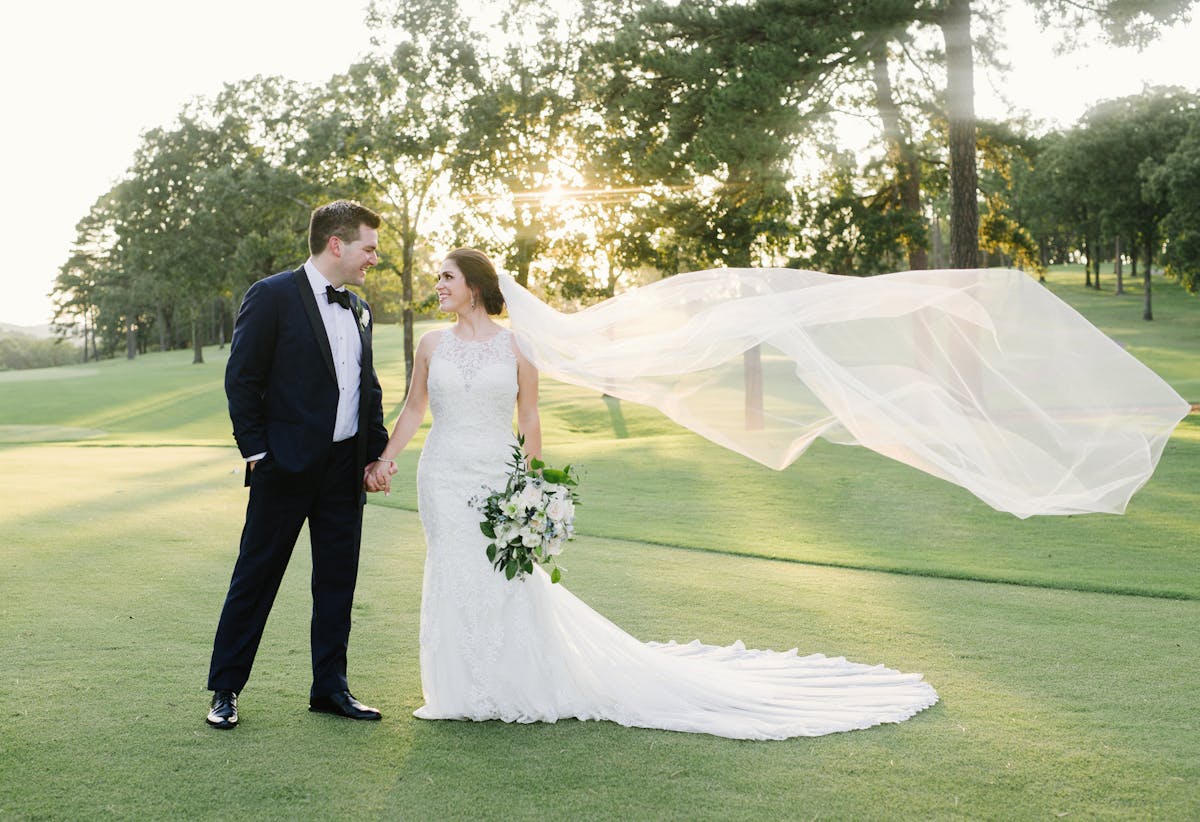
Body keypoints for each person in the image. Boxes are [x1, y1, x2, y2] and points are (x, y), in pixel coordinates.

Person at [366, 248, 938, 739]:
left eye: (446, 277)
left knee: (505, 577)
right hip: (442, 475)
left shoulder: (519, 346)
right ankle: (460, 691)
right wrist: (387, 459)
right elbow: (416, 408)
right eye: (438, 277)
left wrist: (533, 486)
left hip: (497, 472)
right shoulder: (432, 346)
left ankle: (512, 682)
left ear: (475, 288)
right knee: (453, 569)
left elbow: (530, 416)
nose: (436, 285)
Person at [205, 200, 394, 730]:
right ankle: (225, 689)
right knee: (256, 576)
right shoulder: (270, 296)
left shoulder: (360, 308)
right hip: (283, 469)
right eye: (369, 248)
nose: (373, 258)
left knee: (338, 581)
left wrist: (375, 455)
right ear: (337, 244)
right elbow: (241, 380)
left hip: (343, 469)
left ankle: (330, 689)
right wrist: (260, 454)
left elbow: (367, 387)